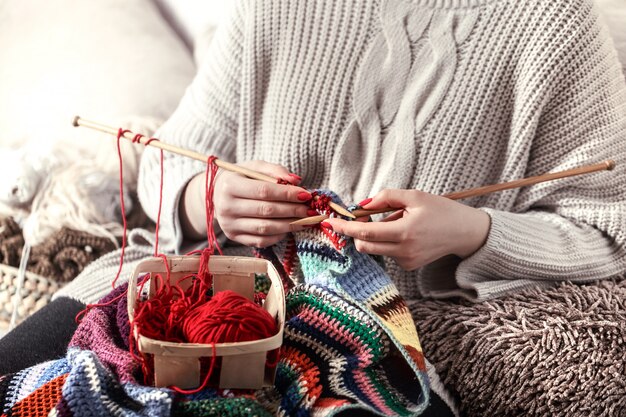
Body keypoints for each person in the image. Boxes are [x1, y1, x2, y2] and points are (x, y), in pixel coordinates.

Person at [1, 0, 625, 414]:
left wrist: (470, 232)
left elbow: (608, 228)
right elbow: (168, 161)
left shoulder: (556, 26)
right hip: (188, 294)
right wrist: (207, 199)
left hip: (371, 336)